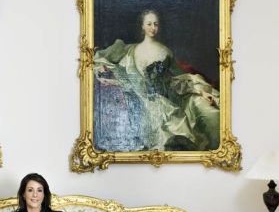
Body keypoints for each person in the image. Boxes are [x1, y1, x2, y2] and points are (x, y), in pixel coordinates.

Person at [93, 9, 220, 152]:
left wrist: (201, 92)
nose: (153, 28)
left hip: (162, 102)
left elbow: (179, 78)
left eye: (156, 24)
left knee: (178, 127)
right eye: (149, 24)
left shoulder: (165, 51)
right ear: (142, 26)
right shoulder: (129, 51)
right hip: (138, 102)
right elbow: (121, 75)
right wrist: (111, 79)